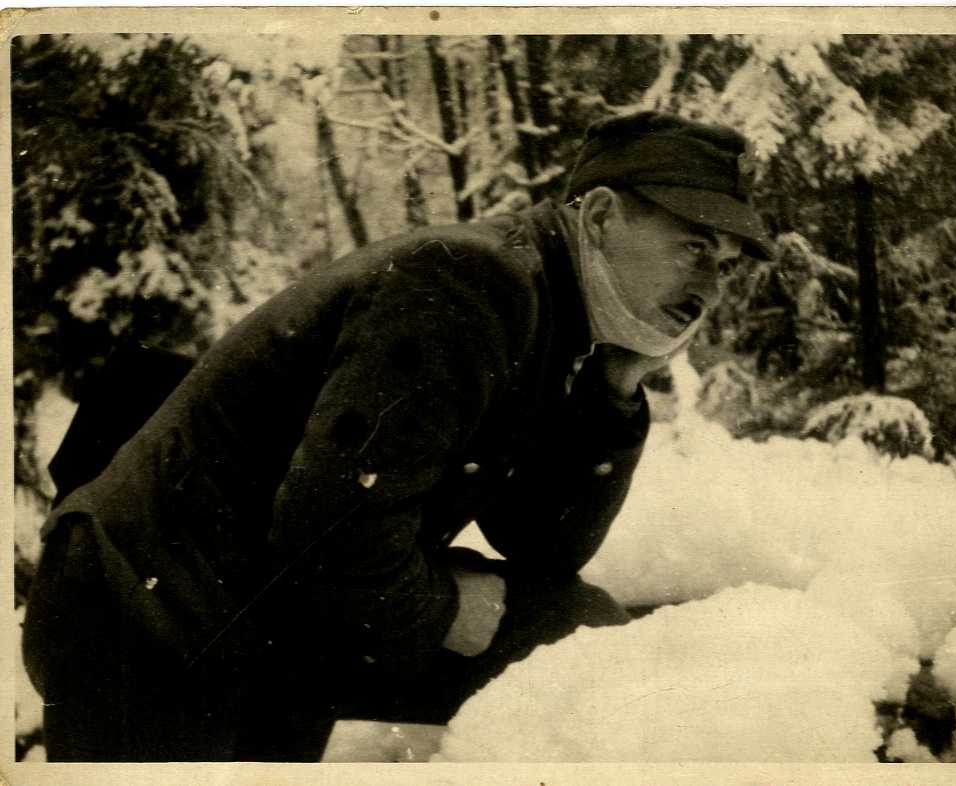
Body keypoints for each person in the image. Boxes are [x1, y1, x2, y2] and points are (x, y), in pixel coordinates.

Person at [22, 110, 774, 761]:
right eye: (694, 249)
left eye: (728, 267)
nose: (710, 288)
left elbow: (544, 550)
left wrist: (613, 391)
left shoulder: (556, 315)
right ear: (601, 216)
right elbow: (330, 530)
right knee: (570, 637)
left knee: (572, 629)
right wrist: (446, 608)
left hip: (252, 606)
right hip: (145, 624)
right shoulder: (473, 283)